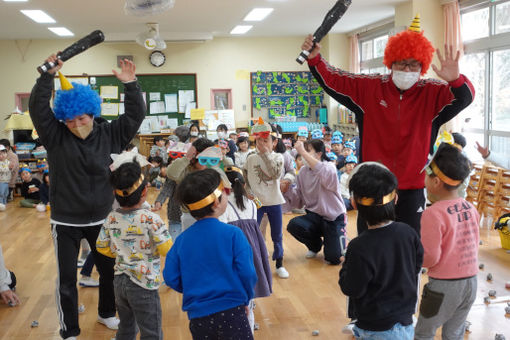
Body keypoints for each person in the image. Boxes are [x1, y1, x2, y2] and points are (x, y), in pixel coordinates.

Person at [302, 15, 475, 236]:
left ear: (422, 65)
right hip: (373, 183)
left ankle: (409, 272)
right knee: (370, 243)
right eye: (401, 62)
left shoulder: (433, 93)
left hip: (413, 187)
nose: (407, 68)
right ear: (390, 62)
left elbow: (465, 98)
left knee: (410, 243)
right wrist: (316, 59)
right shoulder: (369, 87)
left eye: (414, 63)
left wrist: (456, 80)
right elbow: (335, 80)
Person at [29, 55, 145, 339]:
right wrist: (47, 77)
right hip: (65, 222)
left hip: (103, 219)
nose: (76, 124)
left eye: (81, 117)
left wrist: (131, 85)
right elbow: (37, 109)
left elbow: (135, 116)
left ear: (92, 113)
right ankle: (69, 330)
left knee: (109, 272)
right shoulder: (55, 136)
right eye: (69, 120)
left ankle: (107, 313)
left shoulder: (111, 134)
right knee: (67, 280)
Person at [163, 169, 257, 340]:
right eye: (225, 192)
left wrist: (194, 287)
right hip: (233, 310)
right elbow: (248, 273)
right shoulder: (234, 234)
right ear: (216, 202)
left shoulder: (182, 240)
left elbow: (170, 277)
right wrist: (246, 298)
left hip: (199, 316)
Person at [340, 162, 423, 339]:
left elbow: (352, 288)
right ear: (396, 199)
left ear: (354, 203)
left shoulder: (359, 246)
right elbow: (416, 266)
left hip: (375, 328)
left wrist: (346, 267)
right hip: (405, 322)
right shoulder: (409, 233)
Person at [96, 159, 172, 340]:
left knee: (127, 328)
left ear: (115, 194)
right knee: (151, 332)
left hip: (120, 283)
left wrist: (121, 252)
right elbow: (166, 249)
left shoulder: (111, 218)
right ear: (144, 191)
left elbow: (101, 247)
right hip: (144, 285)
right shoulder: (151, 219)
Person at [415, 143, 479, 339]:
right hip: (471, 283)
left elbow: (431, 258)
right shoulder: (470, 207)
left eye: (426, 173)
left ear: (435, 182)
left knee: (424, 332)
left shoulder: (432, 214)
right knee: (454, 333)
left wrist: (415, 257)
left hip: (444, 287)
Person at [219, 167, 272, 332]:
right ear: (243, 184)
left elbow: (221, 230)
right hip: (252, 249)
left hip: (232, 249)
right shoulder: (251, 203)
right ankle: (248, 319)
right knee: (248, 283)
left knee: (234, 286)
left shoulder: (223, 205)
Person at [285, 140, 347, 264]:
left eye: (307, 151)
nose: (303, 155)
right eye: (303, 151)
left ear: (319, 154)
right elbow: (299, 202)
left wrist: (301, 150)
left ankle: (333, 239)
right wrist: (287, 190)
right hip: (314, 216)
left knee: (334, 258)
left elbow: (323, 172)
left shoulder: (329, 167)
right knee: (294, 225)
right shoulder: (303, 172)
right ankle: (315, 245)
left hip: (333, 218)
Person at [244, 118, 288, 278]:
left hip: (274, 201)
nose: (263, 143)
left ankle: (279, 262)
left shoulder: (278, 157)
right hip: (257, 202)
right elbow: (246, 177)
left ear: (273, 142)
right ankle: (255, 262)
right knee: (253, 234)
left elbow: (275, 173)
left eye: (266, 140)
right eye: (260, 140)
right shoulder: (250, 158)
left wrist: (266, 155)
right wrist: (248, 191)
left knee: (277, 235)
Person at [0, 145, 11, 211]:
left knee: (5, 193)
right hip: (1, 181)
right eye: (0, 154)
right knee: (1, 193)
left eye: (4, 153)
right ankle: (1, 204)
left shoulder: (7, 161)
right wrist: (8, 168)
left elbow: (10, 169)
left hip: (7, 180)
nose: (3, 155)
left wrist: (11, 167)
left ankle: (4, 203)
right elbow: (2, 169)